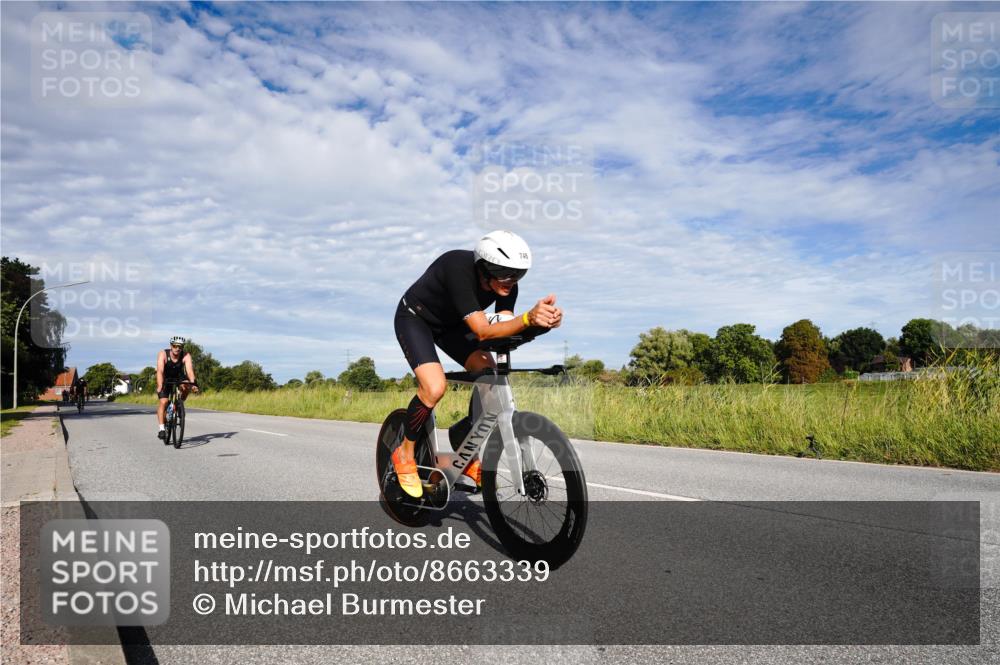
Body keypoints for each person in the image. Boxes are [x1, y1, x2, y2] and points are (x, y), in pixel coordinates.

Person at [392, 230, 562, 498]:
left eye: (518, 274)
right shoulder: (457, 268)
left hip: (454, 327)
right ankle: (404, 452)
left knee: (489, 376)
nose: (511, 281)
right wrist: (529, 318)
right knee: (434, 387)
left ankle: (464, 442)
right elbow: (483, 331)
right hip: (417, 320)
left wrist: (541, 325)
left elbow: (503, 328)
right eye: (504, 272)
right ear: (484, 267)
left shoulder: (507, 284)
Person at [156, 336, 199, 440]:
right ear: (171, 346)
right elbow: (160, 371)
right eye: (175, 346)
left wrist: (193, 384)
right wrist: (160, 384)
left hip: (179, 377)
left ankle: (179, 404)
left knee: (187, 384)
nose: (177, 348)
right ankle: (162, 429)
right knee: (164, 402)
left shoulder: (186, 355)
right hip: (165, 378)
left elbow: (189, 371)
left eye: (180, 346)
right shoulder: (163, 354)